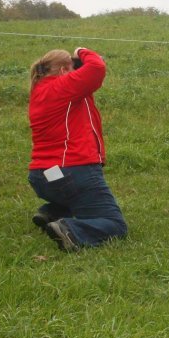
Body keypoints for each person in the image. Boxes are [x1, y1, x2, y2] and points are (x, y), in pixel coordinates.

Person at [27, 47, 127, 251]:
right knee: (115, 224)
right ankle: (70, 229)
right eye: (73, 67)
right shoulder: (63, 85)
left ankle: (52, 211)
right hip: (73, 172)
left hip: (42, 177)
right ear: (64, 71)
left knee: (72, 193)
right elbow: (97, 67)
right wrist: (81, 51)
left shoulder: (39, 90)